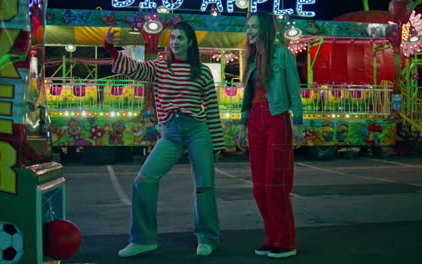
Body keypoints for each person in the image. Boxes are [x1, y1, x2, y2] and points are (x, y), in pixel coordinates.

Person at [104, 21, 225, 257]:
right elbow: (134, 69)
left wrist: (217, 144)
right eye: (172, 38)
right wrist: (109, 48)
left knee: (204, 186)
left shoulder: (202, 71)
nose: (175, 42)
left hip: (197, 130)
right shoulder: (159, 67)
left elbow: (211, 108)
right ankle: (143, 239)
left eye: (180, 38)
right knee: (144, 180)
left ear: (190, 42)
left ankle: (207, 238)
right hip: (170, 133)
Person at [237, 12, 303, 259]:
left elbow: (294, 91)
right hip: (254, 121)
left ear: (265, 29)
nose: (249, 31)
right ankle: (271, 237)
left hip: (276, 118)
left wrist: (297, 123)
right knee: (259, 188)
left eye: (253, 26)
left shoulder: (282, 55)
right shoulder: (252, 58)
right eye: (247, 26)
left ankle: (286, 241)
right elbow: (247, 96)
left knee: (276, 185)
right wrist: (242, 125)